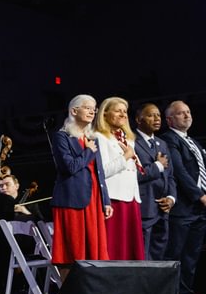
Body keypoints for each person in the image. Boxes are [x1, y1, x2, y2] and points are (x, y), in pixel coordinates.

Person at [49, 94, 113, 283]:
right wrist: (88, 152)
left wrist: (106, 200)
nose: (93, 111)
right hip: (72, 199)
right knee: (72, 250)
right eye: (87, 107)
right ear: (74, 111)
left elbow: (98, 172)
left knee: (95, 250)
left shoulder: (92, 139)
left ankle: (92, 293)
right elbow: (69, 167)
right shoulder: (62, 137)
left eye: (94, 108)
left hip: (93, 200)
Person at [158, 101, 206, 294]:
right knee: (175, 253)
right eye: (180, 113)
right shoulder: (169, 140)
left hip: (198, 210)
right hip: (183, 207)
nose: (187, 116)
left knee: (192, 254)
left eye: (188, 112)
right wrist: (200, 195)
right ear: (170, 120)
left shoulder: (194, 142)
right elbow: (179, 172)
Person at [94, 97, 145, 260]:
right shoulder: (100, 137)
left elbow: (132, 171)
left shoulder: (128, 139)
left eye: (125, 111)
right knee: (116, 248)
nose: (123, 114)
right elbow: (102, 171)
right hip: (115, 199)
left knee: (133, 250)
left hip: (132, 199)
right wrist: (126, 156)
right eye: (118, 110)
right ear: (105, 114)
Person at [133, 103, 174, 260]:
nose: (157, 119)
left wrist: (171, 198)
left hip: (163, 209)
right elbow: (135, 174)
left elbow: (170, 176)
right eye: (151, 115)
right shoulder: (131, 142)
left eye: (158, 115)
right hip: (144, 207)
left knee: (159, 258)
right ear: (138, 119)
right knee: (143, 259)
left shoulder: (161, 143)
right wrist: (157, 166)